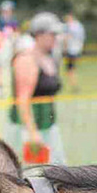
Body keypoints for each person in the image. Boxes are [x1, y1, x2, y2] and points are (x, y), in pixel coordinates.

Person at [9, 11, 67, 163]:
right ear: (39, 35)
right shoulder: (27, 59)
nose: (55, 38)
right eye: (52, 34)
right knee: (34, 175)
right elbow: (23, 99)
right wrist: (33, 133)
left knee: (58, 170)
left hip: (48, 126)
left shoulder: (50, 58)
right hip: (29, 130)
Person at [62, 11, 86, 80]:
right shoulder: (79, 25)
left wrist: (65, 49)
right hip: (77, 49)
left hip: (71, 50)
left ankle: (73, 83)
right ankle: (73, 82)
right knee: (71, 68)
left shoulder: (69, 26)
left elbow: (66, 38)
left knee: (70, 69)